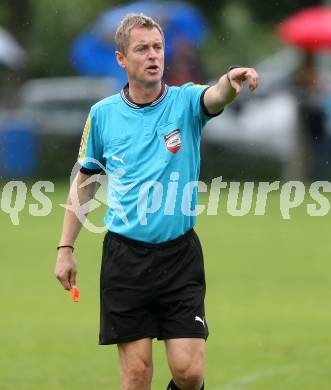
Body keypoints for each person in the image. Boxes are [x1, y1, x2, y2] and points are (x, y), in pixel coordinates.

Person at [54, 13, 259, 390]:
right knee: (136, 375)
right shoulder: (102, 115)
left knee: (189, 372)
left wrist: (231, 81)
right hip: (125, 259)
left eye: (158, 47)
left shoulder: (185, 102)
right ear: (121, 59)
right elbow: (84, 183)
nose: (153, 55)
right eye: (142, 48)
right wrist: (65, 247)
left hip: (179, 257)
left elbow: (215, 96)